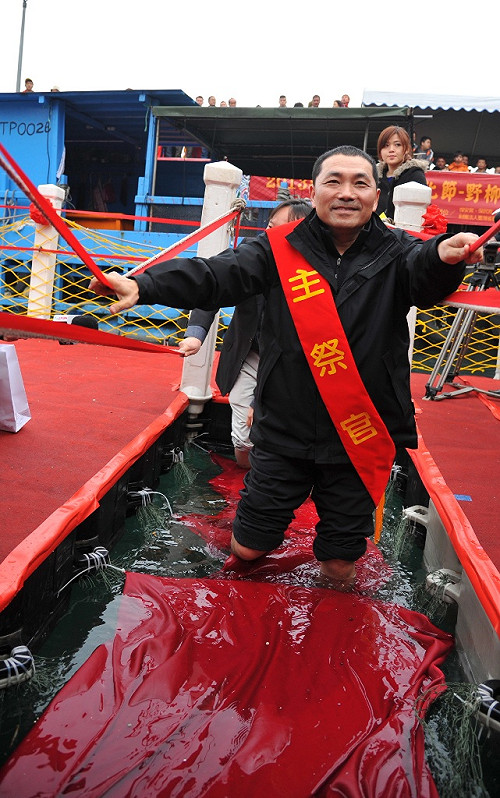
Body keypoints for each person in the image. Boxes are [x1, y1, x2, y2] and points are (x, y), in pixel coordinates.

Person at [90, 145, 480, 587]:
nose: (346, 193)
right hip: (283, 429)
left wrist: (446, 257)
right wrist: (143, 285)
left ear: (377, 196)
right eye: (334, 181)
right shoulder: (277, 249)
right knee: (249, 546)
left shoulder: (399, 251)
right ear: (313, 192)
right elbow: (216, 274)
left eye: (360, 183)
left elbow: (425, 270)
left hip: (361, 431)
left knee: (339, 562)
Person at [178, 199, 312, 468]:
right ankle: (245, 477)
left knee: (285, 428)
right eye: (269, 227)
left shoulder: (315, 271)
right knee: (242, 432)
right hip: (250, 352)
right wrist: (195, 334)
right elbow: (215, 284)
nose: (270, 234)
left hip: (294, 363)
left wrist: (260, 401)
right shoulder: (253, 255)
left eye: (281, 229)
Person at [376, 126, 428, 222]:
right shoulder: (373, 176)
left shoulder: (415, 175)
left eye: (397, 145)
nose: (391, 149)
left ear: (407, 149)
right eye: (386, 145)